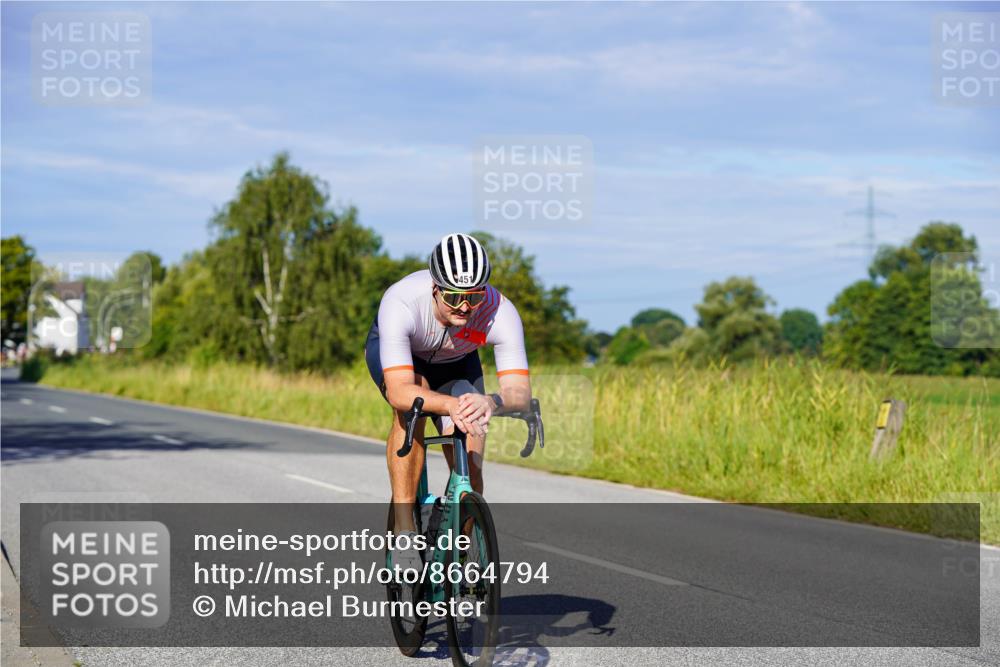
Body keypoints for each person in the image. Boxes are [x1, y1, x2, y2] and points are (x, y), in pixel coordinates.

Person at [365, 233, 531, 572]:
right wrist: (447, 405)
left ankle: (461, 554)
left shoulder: (500, 311)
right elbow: (400, 390)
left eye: (474, 296)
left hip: (458, 361)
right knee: (412, 410)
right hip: (406, 358)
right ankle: (405, 531)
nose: (466, 306)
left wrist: (490, 402)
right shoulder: (401, 301)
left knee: (471, 452)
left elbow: (520, 393)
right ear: (435, 288)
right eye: (454, 296)